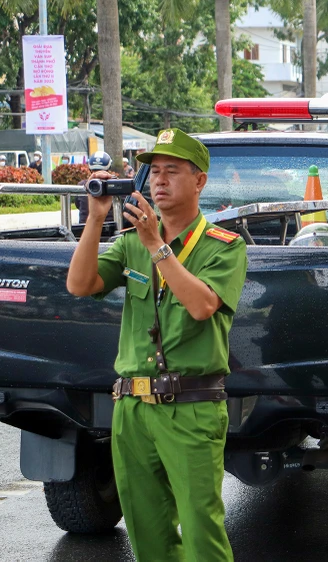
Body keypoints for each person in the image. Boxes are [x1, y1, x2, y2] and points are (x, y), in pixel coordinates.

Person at [66, 128, 246, 562]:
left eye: (172, 171)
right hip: (132, 410)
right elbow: (80, 283)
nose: (159, 181)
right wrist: (95, 219)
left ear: (199, 180)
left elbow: (202, 305)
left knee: (202, 530)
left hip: (191, 408)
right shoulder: (130, 243)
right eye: (155, 172)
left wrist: (157, 244)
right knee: (147, 533)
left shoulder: (225, 247)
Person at [76, 151, 115, 224]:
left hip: (83, 229)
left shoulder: (82, 185)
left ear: (90, 168)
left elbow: (78, 204)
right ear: (109, 167)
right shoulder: (116, 184)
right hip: (111, 229)